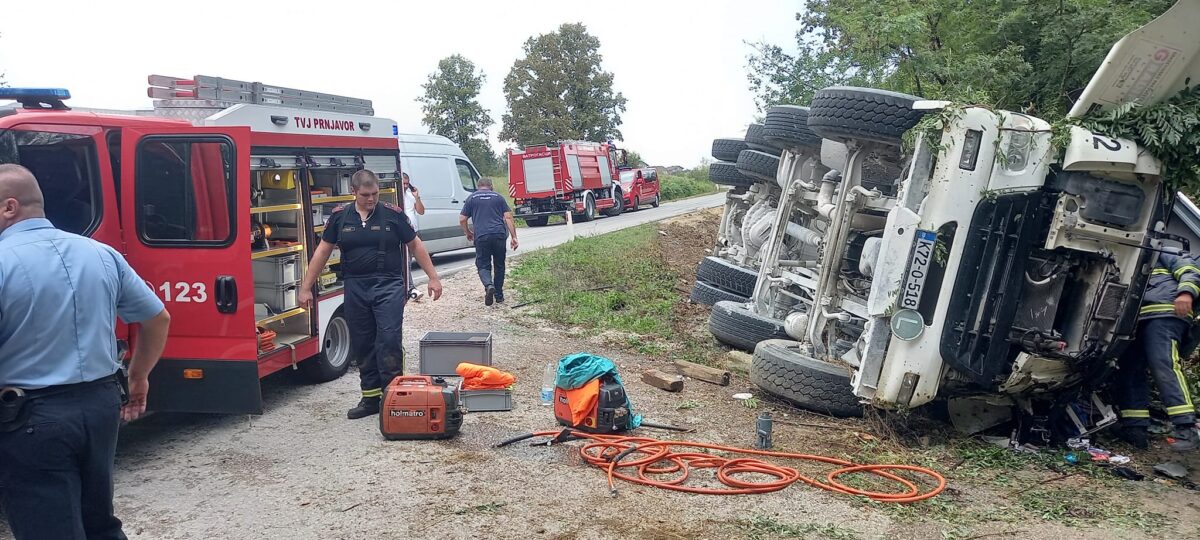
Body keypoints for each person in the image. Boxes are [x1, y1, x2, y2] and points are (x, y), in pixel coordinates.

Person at [0, 164, 171, 539]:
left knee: (49, 527)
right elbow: (157, 318)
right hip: (100, 406)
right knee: (99, 522)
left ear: (9, 207)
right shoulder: (100, 253)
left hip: (31, 418)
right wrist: (138, 375)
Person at [298, 169, 443, 419]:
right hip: (355, 285)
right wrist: (306, 287)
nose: (371, 199)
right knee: (363, 342)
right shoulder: (340, 217)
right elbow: (322, 252)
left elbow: (415, 244)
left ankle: (393, 398)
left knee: (387, 339)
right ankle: (371, 399)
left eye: (375, 193)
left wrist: (433, 277)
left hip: (388, 285)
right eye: (365, 195)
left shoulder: (392, 215)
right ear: (353, 192)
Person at [1114, 249, 1199, 451]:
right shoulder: (1122, 254)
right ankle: (1136, 430)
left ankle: (1186, 428)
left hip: (1165, 312)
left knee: (1163, 364)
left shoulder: (1162, 249)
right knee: (1130, 369)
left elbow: (1189, 269)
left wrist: (1186, 293)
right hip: (1136, 320)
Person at [459, 177, 518, 305]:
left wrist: (467, 232)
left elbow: (462, 219)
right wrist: (514, 237)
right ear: (491, 186)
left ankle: (488, 285)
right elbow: (508, 217)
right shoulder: (498, 197)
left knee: (483, 264)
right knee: (499, 264)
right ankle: (499, 295)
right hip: (499, 234)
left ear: (478, 186)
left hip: (481, 236)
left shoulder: (472, 198)